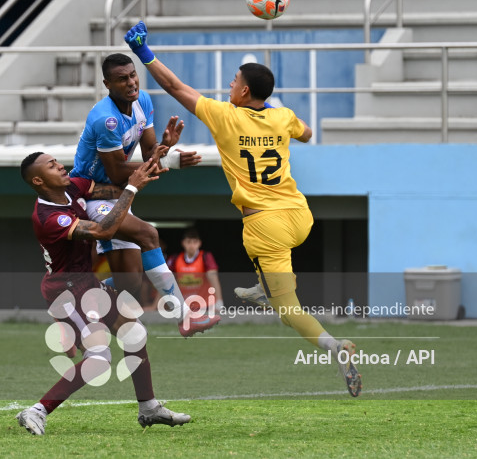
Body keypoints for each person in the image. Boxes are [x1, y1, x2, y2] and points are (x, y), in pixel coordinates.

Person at [124, 22, 362, 397]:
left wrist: (143, 52)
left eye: (234, 81)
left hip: (265, 225)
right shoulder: (282, 117)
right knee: (265, 261)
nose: (230, 86)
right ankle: (264, 287)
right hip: (300, 215)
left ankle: (336, 348)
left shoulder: (226, 116)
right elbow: (308, 134)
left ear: (245, 90)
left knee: (288, 311)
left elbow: (174, 87)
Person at [15, 152, 191, 435]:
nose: (60, 165)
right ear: (38, 180)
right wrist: (133, 187)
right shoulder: (49, 217)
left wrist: (162, 160)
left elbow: (117, 191)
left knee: (135, 333)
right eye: (51, 165)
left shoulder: (74, 186)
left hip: (87, 284)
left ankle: (149, 407)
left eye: (57, 161)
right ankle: (36, 411)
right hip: (66, 293)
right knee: (99, 358)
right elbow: (103, 230)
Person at [69, 53, 220, 337]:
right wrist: (170, 162)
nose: (131, 83)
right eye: (122, 79)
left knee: (131, 282)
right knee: (149, 235)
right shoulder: (106, 120)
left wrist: (164, 146)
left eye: (133, 75)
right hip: (91, 196)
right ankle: (184, 316)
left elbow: (149, 154)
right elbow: (116, 172)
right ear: (107, 84)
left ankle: (80, 301)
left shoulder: (143, 102)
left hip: (117, 193)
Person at [166, 228, 224, 314]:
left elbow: (213, 277)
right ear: (183, 243)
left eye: (195, 242)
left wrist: (219, 301)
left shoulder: (205, 256)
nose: (191, 245)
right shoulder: (175, 259)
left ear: (199, 243)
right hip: (184, 307)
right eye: (188, 242)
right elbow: (166, 280)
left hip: (205, 306)